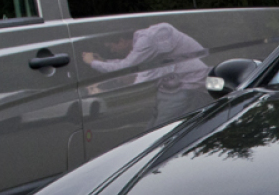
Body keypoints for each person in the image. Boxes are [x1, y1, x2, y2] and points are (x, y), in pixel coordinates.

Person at [82, 22, 210, 126]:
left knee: (160, 130)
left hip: (188, 86)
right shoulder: (148, 46)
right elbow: (132, 65)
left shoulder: (147, 41)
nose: (113, 51)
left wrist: (92, 63)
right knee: (153, 128)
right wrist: (104, 62)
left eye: (112, 47)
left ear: (122, 41)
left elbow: (125, 67)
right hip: (182, 85)